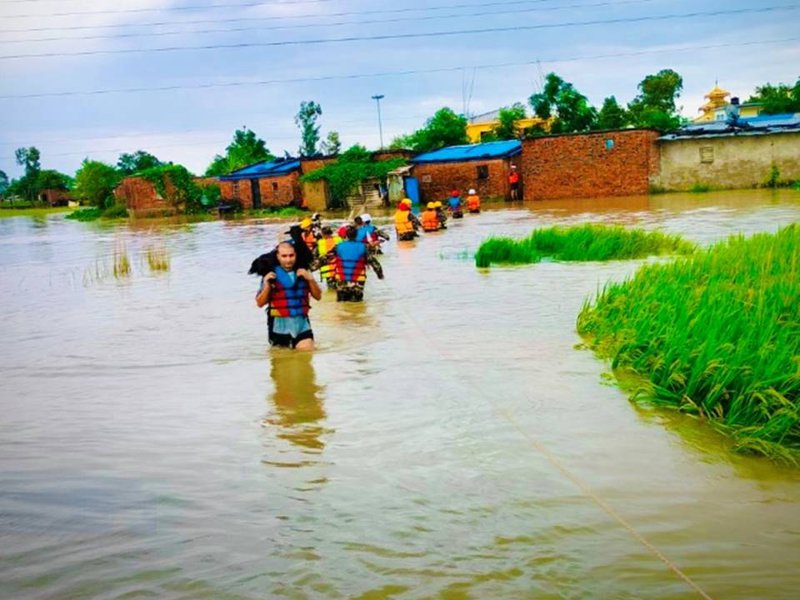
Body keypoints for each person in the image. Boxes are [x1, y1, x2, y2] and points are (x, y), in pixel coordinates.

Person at [255, 242, 322, 350]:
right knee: (281, 363)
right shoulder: (270, 276)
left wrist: (311, 279)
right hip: (278, 328)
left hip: (302, 326)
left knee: (306, 356)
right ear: (277, 256)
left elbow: (318, 296)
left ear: (296, 255)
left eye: (291, 255)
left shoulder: (304, 272)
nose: (288, 260)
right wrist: (267, 285)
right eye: (284, 256)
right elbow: (260, 303)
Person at [334, 226, 369, 302]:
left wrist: (310, 268)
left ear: (346, 235)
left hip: (342, 279)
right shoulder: (363, 247)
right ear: (356, 235)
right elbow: (371, 261)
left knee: (341, 303)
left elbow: (325, 258)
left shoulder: (338, 246)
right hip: (358, 280)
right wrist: (380, 273)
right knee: (356, 304)